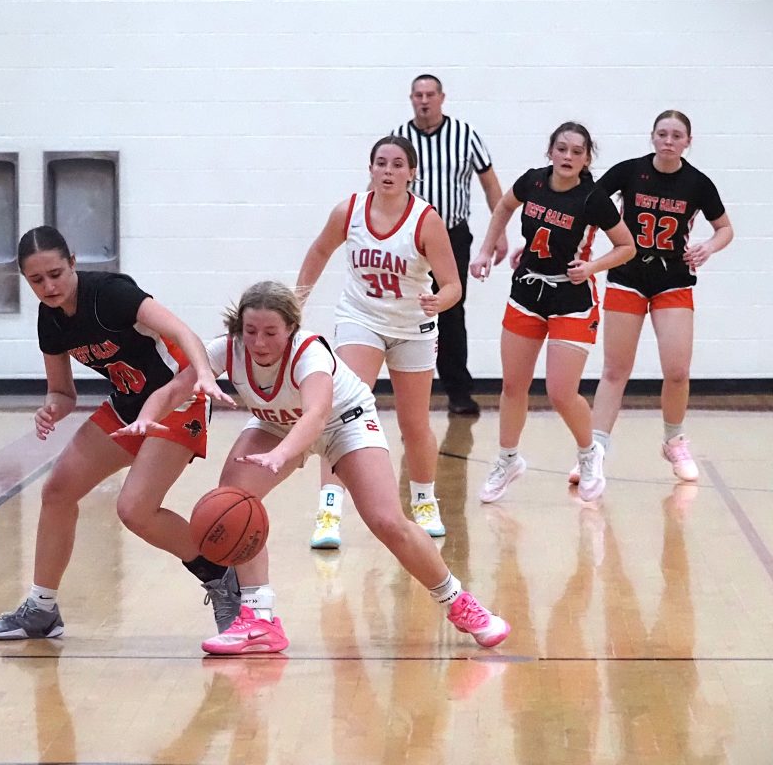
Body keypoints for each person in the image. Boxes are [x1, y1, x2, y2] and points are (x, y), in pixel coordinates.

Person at [118, 281, 511, 655]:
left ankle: (459, 602)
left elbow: (318, 415)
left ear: (290, 328)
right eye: (250, 330)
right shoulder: (227, 349)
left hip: (345, 423)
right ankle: (259, 620)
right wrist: (145, 418)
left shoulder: (310, 353)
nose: (258, 342)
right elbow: (173, 390)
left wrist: (283, 454)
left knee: (387, 521)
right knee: (236, 503)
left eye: (270, 332)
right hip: (275, 423)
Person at [0, 226, 241, 645]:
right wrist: (51, 408)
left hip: (179, 398)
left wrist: (206, 376)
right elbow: (63, 392)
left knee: (135, 509)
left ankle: (222, 578)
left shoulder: (111, 294)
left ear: (73, 263)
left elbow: (182, 332)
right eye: (37, 279)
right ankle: (42, 609)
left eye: (56, 273)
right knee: (58, 491)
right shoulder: (51, 321)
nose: (49, 285)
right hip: (128, 404)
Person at [296, 135, 461, 547]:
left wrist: (438, 300)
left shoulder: (427, 220)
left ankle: (424, 501)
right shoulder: (348, 211)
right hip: (360, 319)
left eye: (398, 164)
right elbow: (318, 252)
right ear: (370, 169)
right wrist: (295, 302)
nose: (389, 171)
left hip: (412, 327)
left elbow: (453, 285)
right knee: (339, 411)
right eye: (381, 163)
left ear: (412, 172)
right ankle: (329, 511)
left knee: (413, 422)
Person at [469, 122, 635, 504]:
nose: (568, 156)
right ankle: (508, 460)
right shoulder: (532, 182)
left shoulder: (593, 198)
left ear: (586, 159)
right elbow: (504, 207)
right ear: (550, 151)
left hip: (572, 298)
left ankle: (589, 453)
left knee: (561, 392)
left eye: (577, 151)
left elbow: (626, 247)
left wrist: (592, 268)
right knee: (513, 385)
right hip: (527, 290)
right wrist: (485, 250)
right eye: (562, 148)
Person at [569, 111, 733, 484]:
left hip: (673, 279)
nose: (669, 140)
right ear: (652, 137)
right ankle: (593, 451)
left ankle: (673, 440)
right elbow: (590, 198)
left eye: (677, 135)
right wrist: (587, 248)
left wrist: (709, 246)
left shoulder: (697, 183)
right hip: (628, 276)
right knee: (615, 370)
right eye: (662, 134)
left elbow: (724, 228)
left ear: (688, 141)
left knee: (677, 370)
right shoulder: (630, 172)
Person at [393, 73, 509, 416]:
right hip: (408, 237)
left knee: (451, 310)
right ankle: (413, 390)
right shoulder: (399, 138)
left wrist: (498, 232)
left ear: (442, 97)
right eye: (418, 95)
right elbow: (380, 184)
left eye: (430, 94)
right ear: (411, 98)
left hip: (453, 234)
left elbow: (491, 185)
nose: (424, 101)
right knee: (409, 310)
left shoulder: (465, 135)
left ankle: (459, 392)